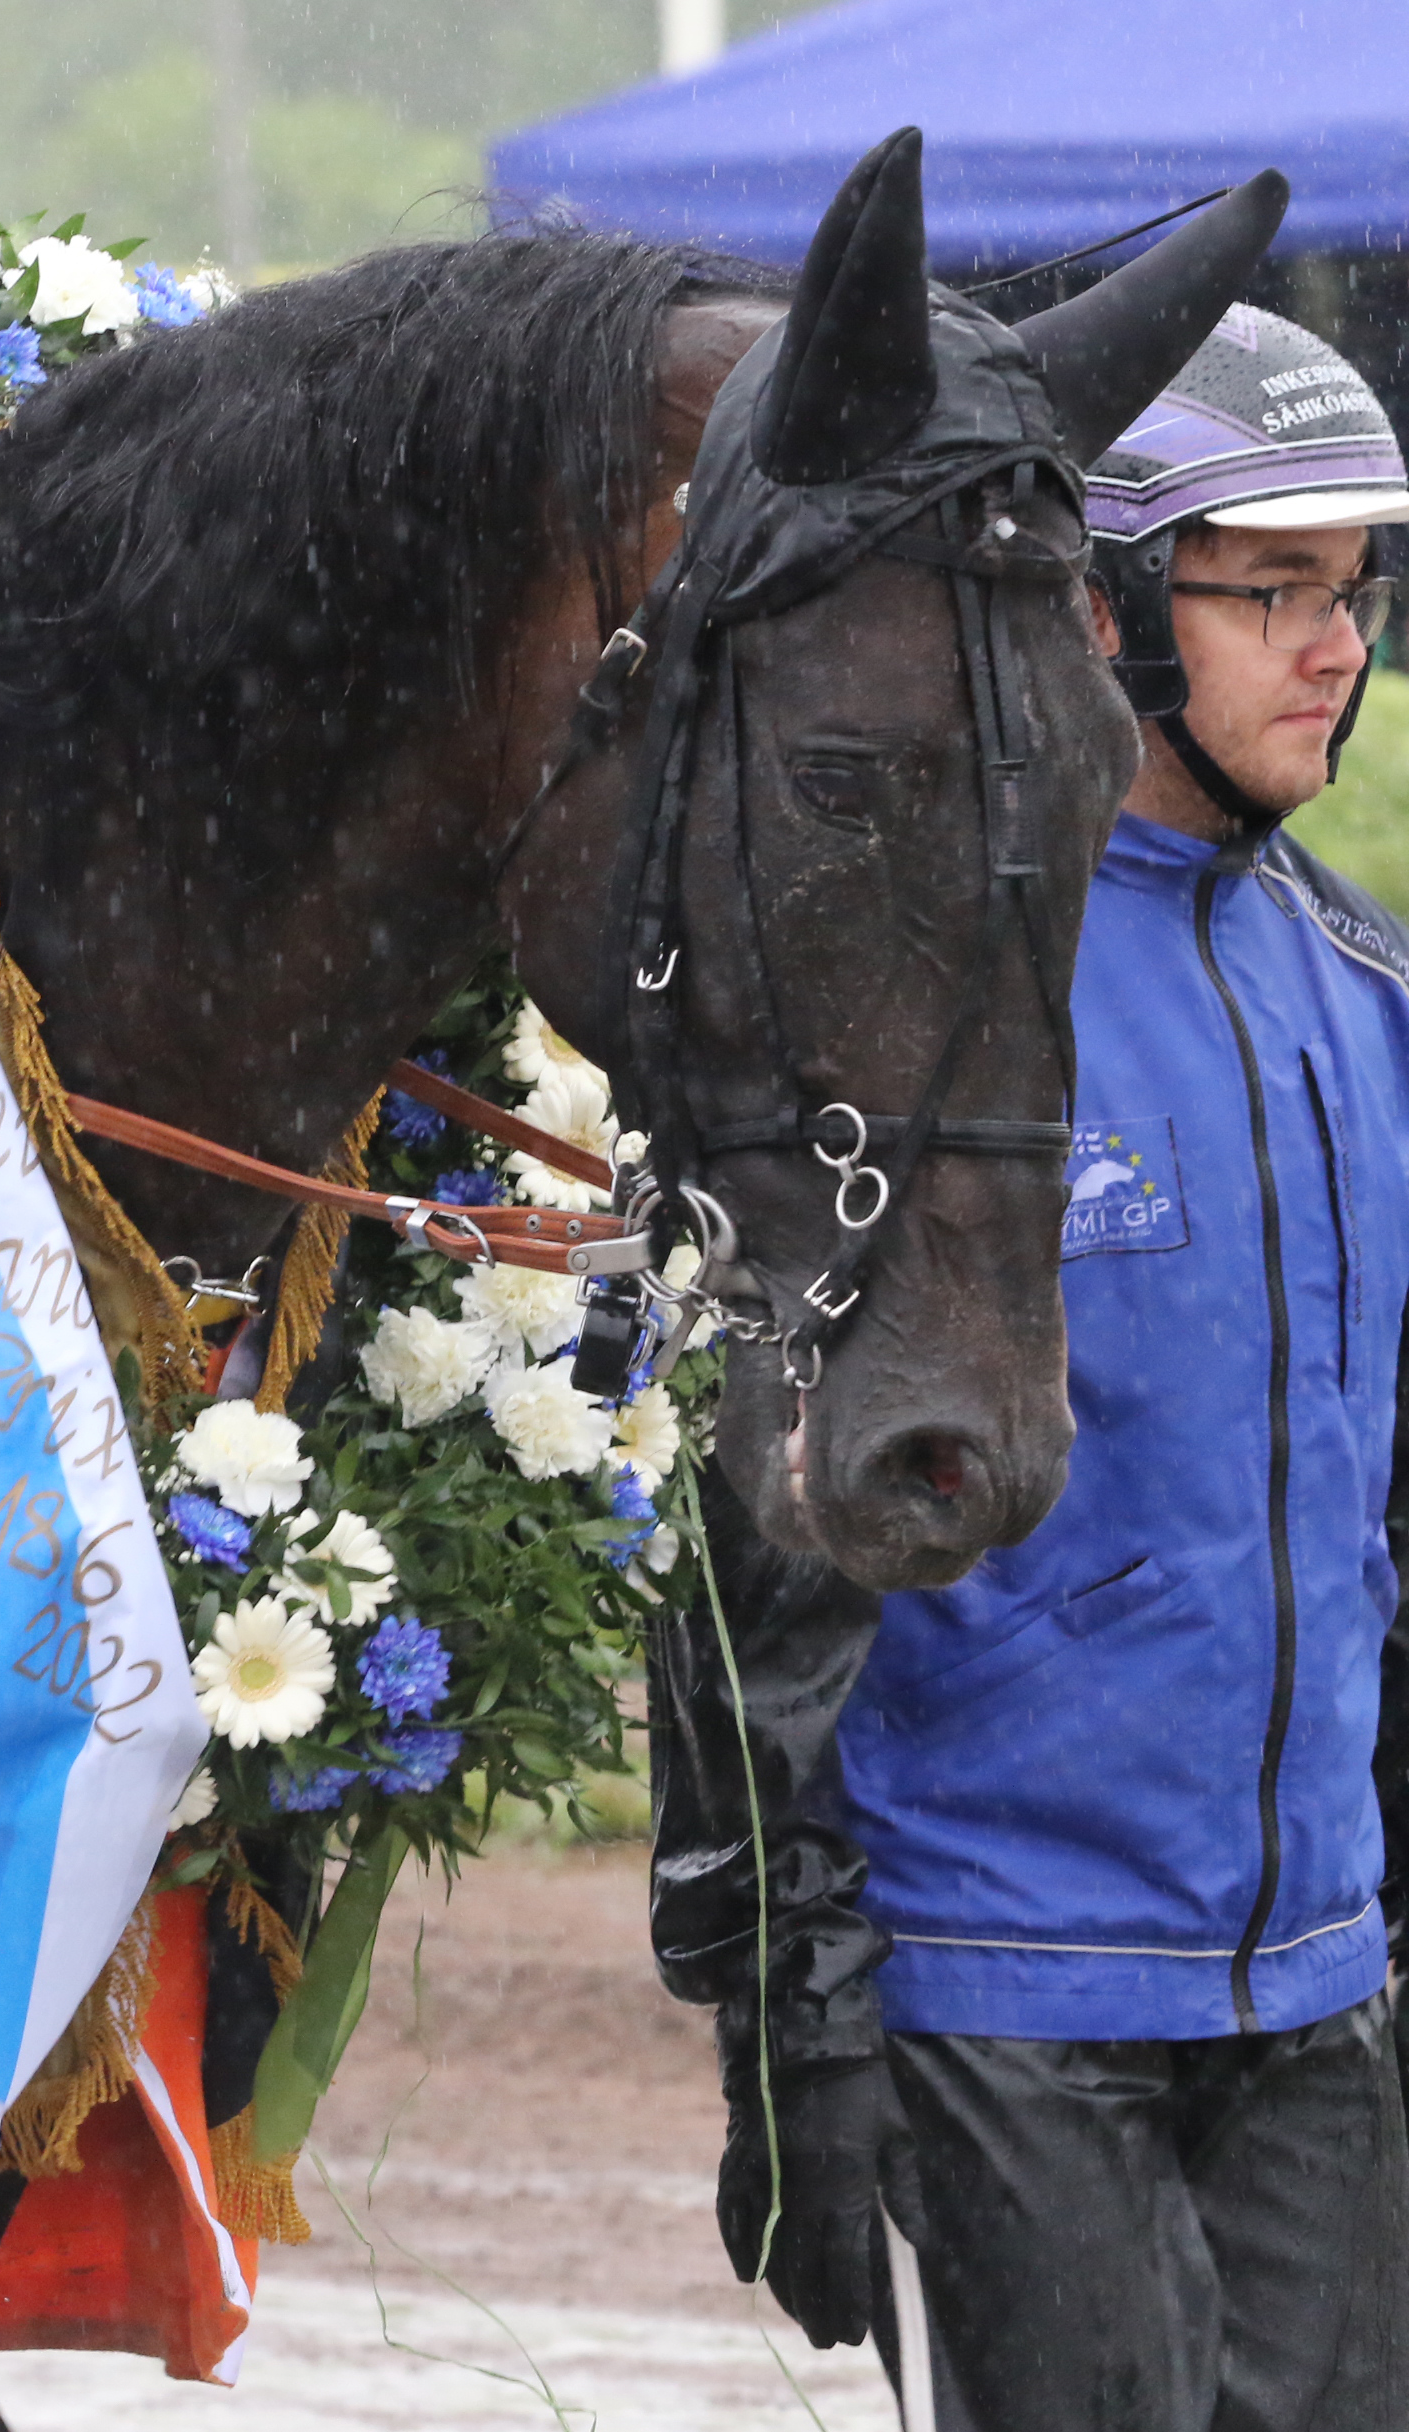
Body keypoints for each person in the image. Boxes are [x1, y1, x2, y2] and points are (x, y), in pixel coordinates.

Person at [650, 302, 1409, 2430]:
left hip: (1322, 1997)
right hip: (1005, 1991)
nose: (1332, 645)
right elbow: (753, 1537)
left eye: (1357, 591)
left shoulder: (1373, 993)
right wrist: (787, 2011)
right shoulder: (928, 1001)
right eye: (1269, 589)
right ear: (1106, 604)